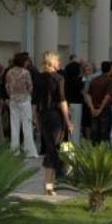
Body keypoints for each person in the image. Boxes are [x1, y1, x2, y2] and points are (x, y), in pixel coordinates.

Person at [38, 50, 75, 195]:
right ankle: (50, 183)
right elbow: (62, 100)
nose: (60, 62)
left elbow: (35, 100)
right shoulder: (59, 78)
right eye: (57, 60)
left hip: (43, 116)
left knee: (50, 148)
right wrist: (68, 120)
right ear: (52, 62)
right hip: (55, 117)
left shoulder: (39, 77)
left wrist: (35, 119)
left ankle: (49, 184)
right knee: (53, 149)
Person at [5, 52, 38, 157]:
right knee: (27, 125)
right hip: (24, 100)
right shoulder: (26, 72)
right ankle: (30, 151)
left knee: (14, 126)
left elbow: (7, 87)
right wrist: (27, 94)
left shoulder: (9, 72)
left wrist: (12, 95)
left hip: (13, 100)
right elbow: (30, 86)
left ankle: (15, 150)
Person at [87, 61, 112, 144]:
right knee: (104, 135)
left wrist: (92, 108)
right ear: (110, 69)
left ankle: (94, 150)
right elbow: (107, 96)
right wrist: (101, 109)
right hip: (105, 110)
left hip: (94, 109)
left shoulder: (94, 80)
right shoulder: (109, 80)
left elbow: (88, 94)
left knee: (95, 134)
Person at [63, 59, 85, 146]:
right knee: (76, 126)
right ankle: (75, 146)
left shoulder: (65, 80)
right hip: (77, 103)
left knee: (67, 126)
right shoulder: (78, 80)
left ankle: (67, 146)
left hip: (67, 103)